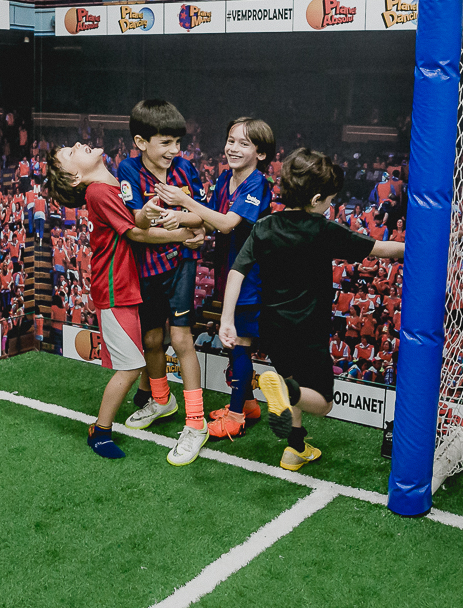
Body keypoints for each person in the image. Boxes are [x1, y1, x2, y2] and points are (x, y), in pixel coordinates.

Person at [220, 148, 404, 470]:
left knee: (293, 380)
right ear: (317, 198)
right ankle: (285, 391)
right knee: (321, 402)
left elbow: (237, 271)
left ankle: (295, 448)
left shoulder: (264, 226)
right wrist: (423, 248)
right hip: (309, 332)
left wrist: (226, 319)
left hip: (273, 329)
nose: (330, 205)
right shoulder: (323, 229)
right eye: (330, 200)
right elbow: (381, 248)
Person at [45, 142, 204, 459]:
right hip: (115, 290)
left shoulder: (117, 183)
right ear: (75, 177)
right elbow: (136, 232)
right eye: (70, 153)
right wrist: (183, 235)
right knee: (130, 366)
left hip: (127, 286)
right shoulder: (99, 192)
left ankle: (154, 398)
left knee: (148, 344)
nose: (77, 145)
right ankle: (100, 431)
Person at [156, 117, 275, 439]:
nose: (233, 148)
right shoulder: (225, 178)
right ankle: (248, 405)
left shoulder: (257, 184)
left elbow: (226, 223)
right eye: (231, 140)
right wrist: (180, 220)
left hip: (251, 278)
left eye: (244, 144)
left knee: (240, 344)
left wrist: (184, 201)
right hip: (228, 273)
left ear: (261, 153)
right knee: (235, 344)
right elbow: (208, 220)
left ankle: (236, 417)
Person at [117, 100, 211, 466]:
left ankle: (196, 422)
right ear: (141, 142)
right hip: (146, 269)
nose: (174, 150)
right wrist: (148, 214)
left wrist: (180, 217)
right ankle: (161, 400)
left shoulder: (186, 169)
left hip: (181, 264)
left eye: (178, 143)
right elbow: (136, 222)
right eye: (166, 142)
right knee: (152, 339)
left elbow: (200, 219)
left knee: (181, 339)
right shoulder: (128, 169)